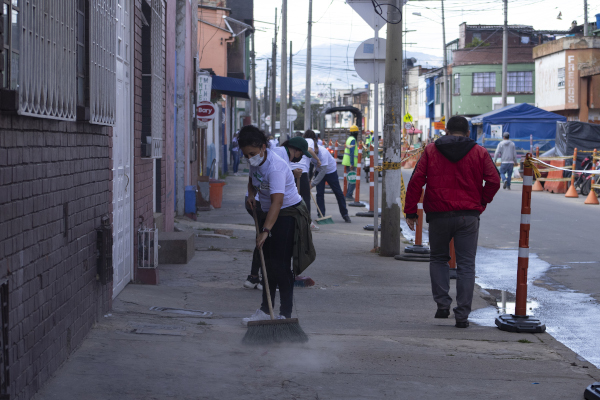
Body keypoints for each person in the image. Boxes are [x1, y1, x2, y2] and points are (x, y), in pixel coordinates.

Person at [404, 116, 500, 329]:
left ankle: (442, 305)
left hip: (439, 215)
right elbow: (494, 180)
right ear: (468, 133)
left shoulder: (430, 150)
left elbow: (416, 181)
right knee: (466, 264)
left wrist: (411, 211)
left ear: (446, 131)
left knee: (438, 259)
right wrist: (481, 202)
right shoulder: (480, 152)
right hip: (468, 215)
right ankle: (462, 315)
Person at [239, 125, 315, 324]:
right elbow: (251, 177)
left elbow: (278, 202)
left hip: (288, 214)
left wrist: (266, 230)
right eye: (246, 155)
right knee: (267, 265)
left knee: (280, 266)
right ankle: (265, 311)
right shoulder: (254, 160)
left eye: (253, 154)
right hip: (268, 211)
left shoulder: (276, 167)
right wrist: (251, 194)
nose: (250, 159)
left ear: (264, 147)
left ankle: (285, 315)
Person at [243, 135, 310, 290]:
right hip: (264, 202)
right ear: (295, 150)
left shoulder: (280, 154)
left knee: (264, 237)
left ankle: (256, 278)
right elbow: (274, 188)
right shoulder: (279, 157)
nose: (299, 159)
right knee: (265, 237)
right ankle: (262, 279)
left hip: (262, 200)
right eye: (301, 154)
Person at [311, 143, 351, 223]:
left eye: (313, 151)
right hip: (319, 171)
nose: (312, 153)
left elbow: (323, 171)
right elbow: (310, 166)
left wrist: (312, 184)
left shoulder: (323, 153)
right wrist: (309, 179)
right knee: (319, 194)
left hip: (330, 171)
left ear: (316, 148)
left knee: (338, 192)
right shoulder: (309, 153)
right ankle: (321, 214)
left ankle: (345, 214)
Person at [290, 130, 320, 230]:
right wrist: (317, 159)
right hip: (301, 172)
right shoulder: (309, 140)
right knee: (306, 197)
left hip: (292, 170)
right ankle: (307, 222)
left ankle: (293, 221)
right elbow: (309, 150)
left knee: (292, 196)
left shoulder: (300, 141)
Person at [342, 125, 360, 201]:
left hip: (346, 161)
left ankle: (347, 194)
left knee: (349, 179)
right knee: (353, 180)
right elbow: (352, 152)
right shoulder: (353, 140)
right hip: (350, 162)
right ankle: (349, 195)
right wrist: (352, 163)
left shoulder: (349, 138)